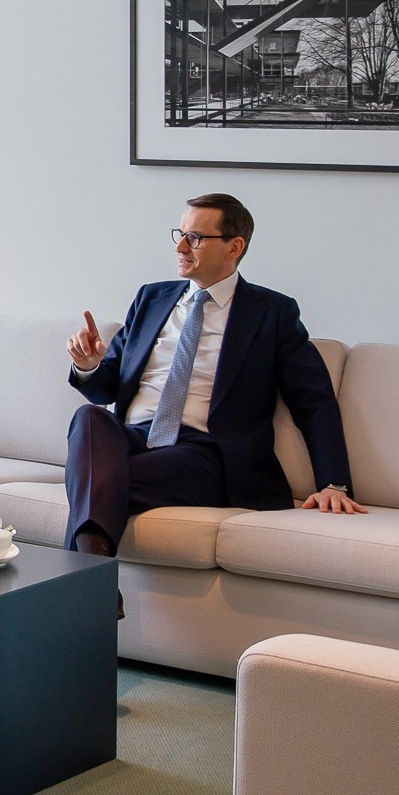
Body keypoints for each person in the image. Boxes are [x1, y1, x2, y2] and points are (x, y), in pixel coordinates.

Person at [64, 193, 363, 616]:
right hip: (131, 439)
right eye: (179, 234)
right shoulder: (152, 298)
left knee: (92, 480)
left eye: (195, 238)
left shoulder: (271, 312)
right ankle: (92, 587)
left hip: (205, 453)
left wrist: (334, 483)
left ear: (234, 246)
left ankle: (82, 582)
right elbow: (105, 388)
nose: (180, 247)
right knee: (89, 418)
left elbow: (313, 400)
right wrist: (89, 366)